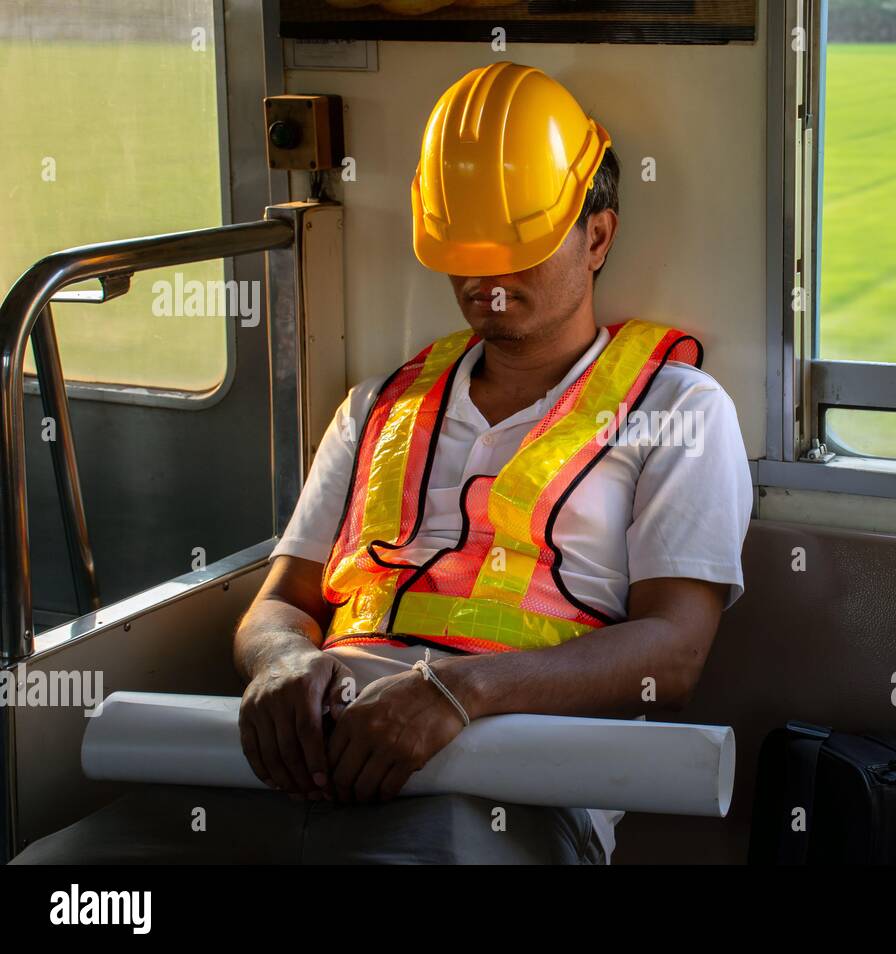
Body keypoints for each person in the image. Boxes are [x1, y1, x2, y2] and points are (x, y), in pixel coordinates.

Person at [12, 61, 750, 865]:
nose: (485, 278)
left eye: (515, 248)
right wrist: (285, 665)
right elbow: (279, 603)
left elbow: (675, 649)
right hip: (297, 762)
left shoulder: (678, 410)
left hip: (506, 783)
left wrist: (456, 695)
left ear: (597, 236)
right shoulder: (377, 406)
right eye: (464, 250)